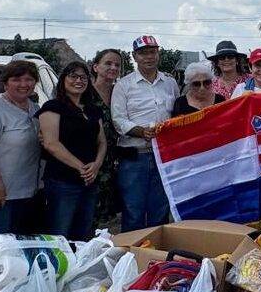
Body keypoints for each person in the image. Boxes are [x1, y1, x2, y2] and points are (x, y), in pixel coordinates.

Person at [112, 35, 179, 232]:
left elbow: (176, 113)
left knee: (160, 210)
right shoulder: (124, 85)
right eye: (143, 53)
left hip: (162, 157)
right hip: (135, 157)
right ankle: (131, 257)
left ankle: (155, 257)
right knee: (133, 211)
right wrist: (141, 132)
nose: (148, 57)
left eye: (152, 52)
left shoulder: (169, 82)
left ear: (158, 53)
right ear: (134, 56)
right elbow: (118, 119)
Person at [36, 62, 106, 241]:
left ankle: (79, 269)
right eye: (73, 76)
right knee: (59, 234)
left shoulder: (92, 110)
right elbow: (51, 143)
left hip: (89, 181)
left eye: (83, 77)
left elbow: (102, 141)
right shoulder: (52, 107)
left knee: (83, 234)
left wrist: (96, 166)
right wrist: (81, 167)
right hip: (62, 182)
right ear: (63, 80)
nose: (79, 81)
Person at [0, 60, 41, 241]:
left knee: (17, 247)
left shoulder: (35, 109)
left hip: (26, 193)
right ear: (5, 83)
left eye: (28, 79)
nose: (23, 84)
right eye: (16, 79)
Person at [89, 48, 123, 228]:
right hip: (90, 161)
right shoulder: (84, 93)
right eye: (108, 63)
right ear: (96, 67)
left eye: (117, 64)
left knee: (108, 216)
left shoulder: (121, 92)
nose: (113, 67)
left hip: (115, 161)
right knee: (88, 212)